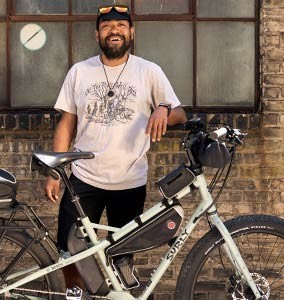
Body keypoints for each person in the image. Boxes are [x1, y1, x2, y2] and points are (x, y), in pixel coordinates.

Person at [44, 4, 188, 295]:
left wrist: (163, 108)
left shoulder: (149, 71)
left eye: (121, 25)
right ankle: (76, 295)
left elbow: (180, 114)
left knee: (121, 257)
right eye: (107, 25)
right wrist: (54, 172)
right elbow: (67, 123)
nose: (114, 30)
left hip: (129, 180)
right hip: (84, 178)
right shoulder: (80, 72)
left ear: (131, 32)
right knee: (73, 252)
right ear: (97, 33)